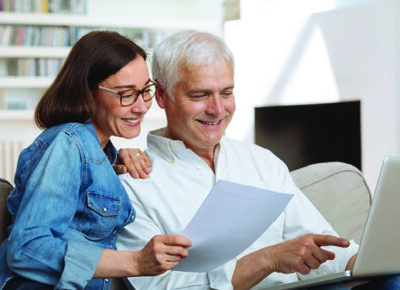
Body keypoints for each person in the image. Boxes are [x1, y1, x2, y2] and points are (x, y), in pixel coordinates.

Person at [116, 30, 400, 290]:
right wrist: (267, 261)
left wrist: (360, 262)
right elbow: (157, 286)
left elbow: (321, 244)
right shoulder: (134, 183)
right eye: (200, 95)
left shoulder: (261, 162)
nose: (218, 109)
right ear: (163, 96)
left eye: (227, 92)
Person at [0, 31, 191, 290]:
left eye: (145, 90)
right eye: (126, 94)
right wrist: (135, 262)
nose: (142, 106)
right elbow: (27, 248)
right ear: (87, 93)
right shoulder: (69, 143)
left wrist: (113, 165)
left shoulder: (100, 153)